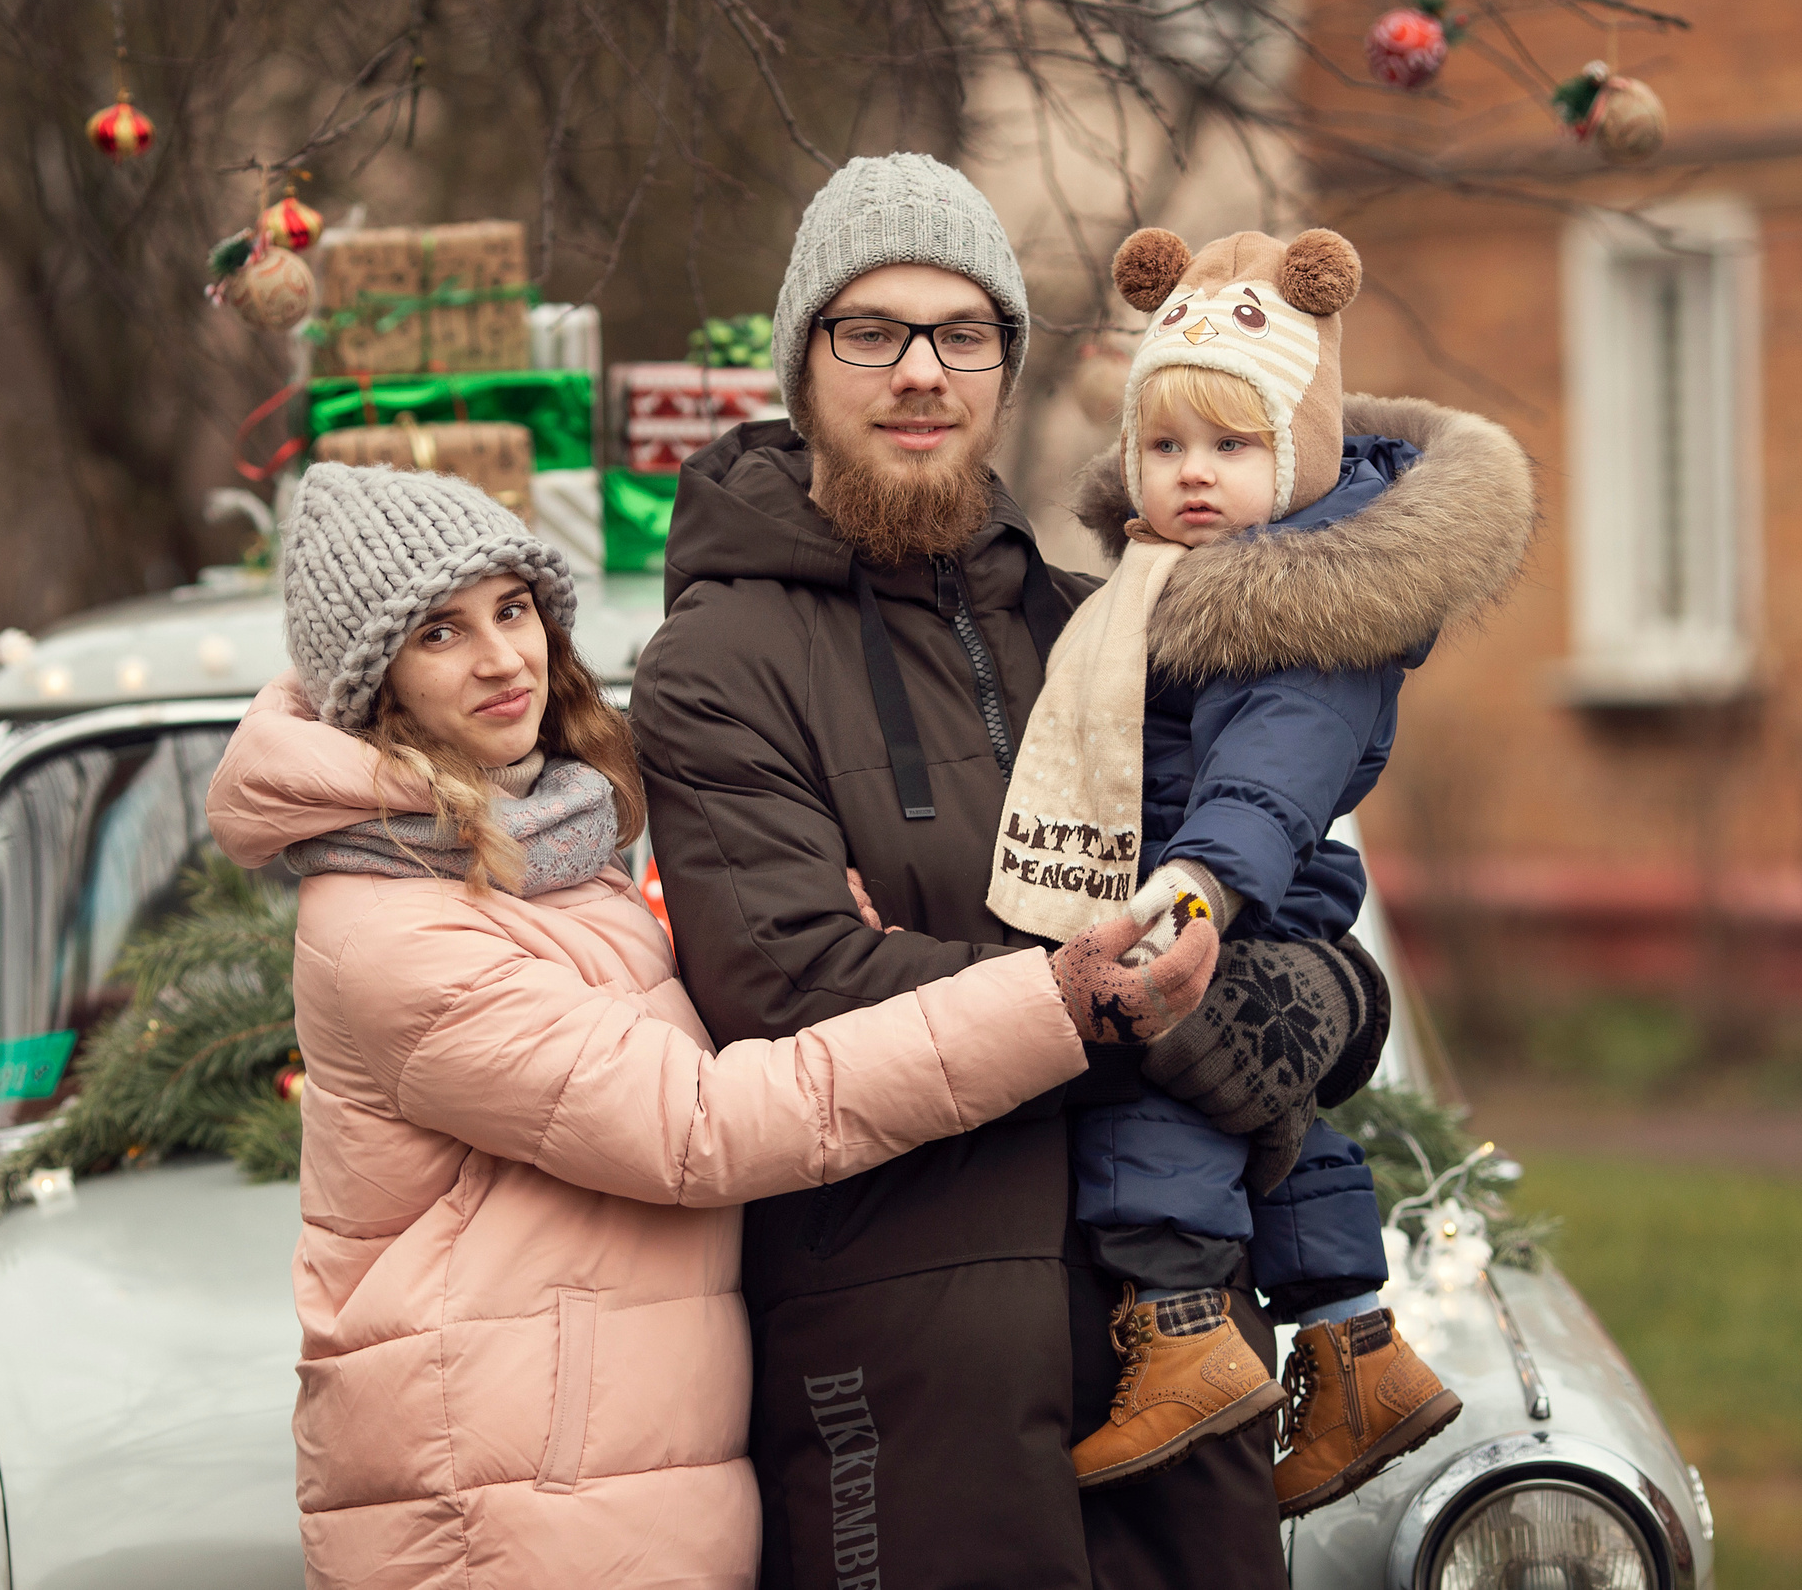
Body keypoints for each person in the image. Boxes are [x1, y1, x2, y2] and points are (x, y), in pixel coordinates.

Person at [203, 462, 1221, 1590]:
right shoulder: (395, 927)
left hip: (595, 1464)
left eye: (513, 608)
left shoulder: (547, 850)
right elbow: (694, 1126)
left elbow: (664, 1023)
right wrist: (1047, 1001)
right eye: (438, 633)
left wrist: (826, 936)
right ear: (374, 683)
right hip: (505, 1495)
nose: (502, 657)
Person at [628, 156, 1412, 1590]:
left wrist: (1318, 997)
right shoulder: (716, 664)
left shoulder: (1101, 618)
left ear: (1005, 368)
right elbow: (793, 986)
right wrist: (1112, 993)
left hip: (1179, 1343)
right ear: (804, 359)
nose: (921, 371)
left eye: (964, 332)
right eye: (871, 330)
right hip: (910, 1371)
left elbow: (1296, 890)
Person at [990, 224, 1530, 1513]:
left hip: (1226, 892)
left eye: (1230, 449)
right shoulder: (1182, 580)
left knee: (1147, 1092)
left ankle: (1179, 1334)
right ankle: (1356, 1350)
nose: (1189, 476)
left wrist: (1192, 894)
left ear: (1297, 456)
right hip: (1225, 891)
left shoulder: (1304, 608)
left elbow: (1264, 779)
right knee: (1266, 1116)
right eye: (1163, 447)